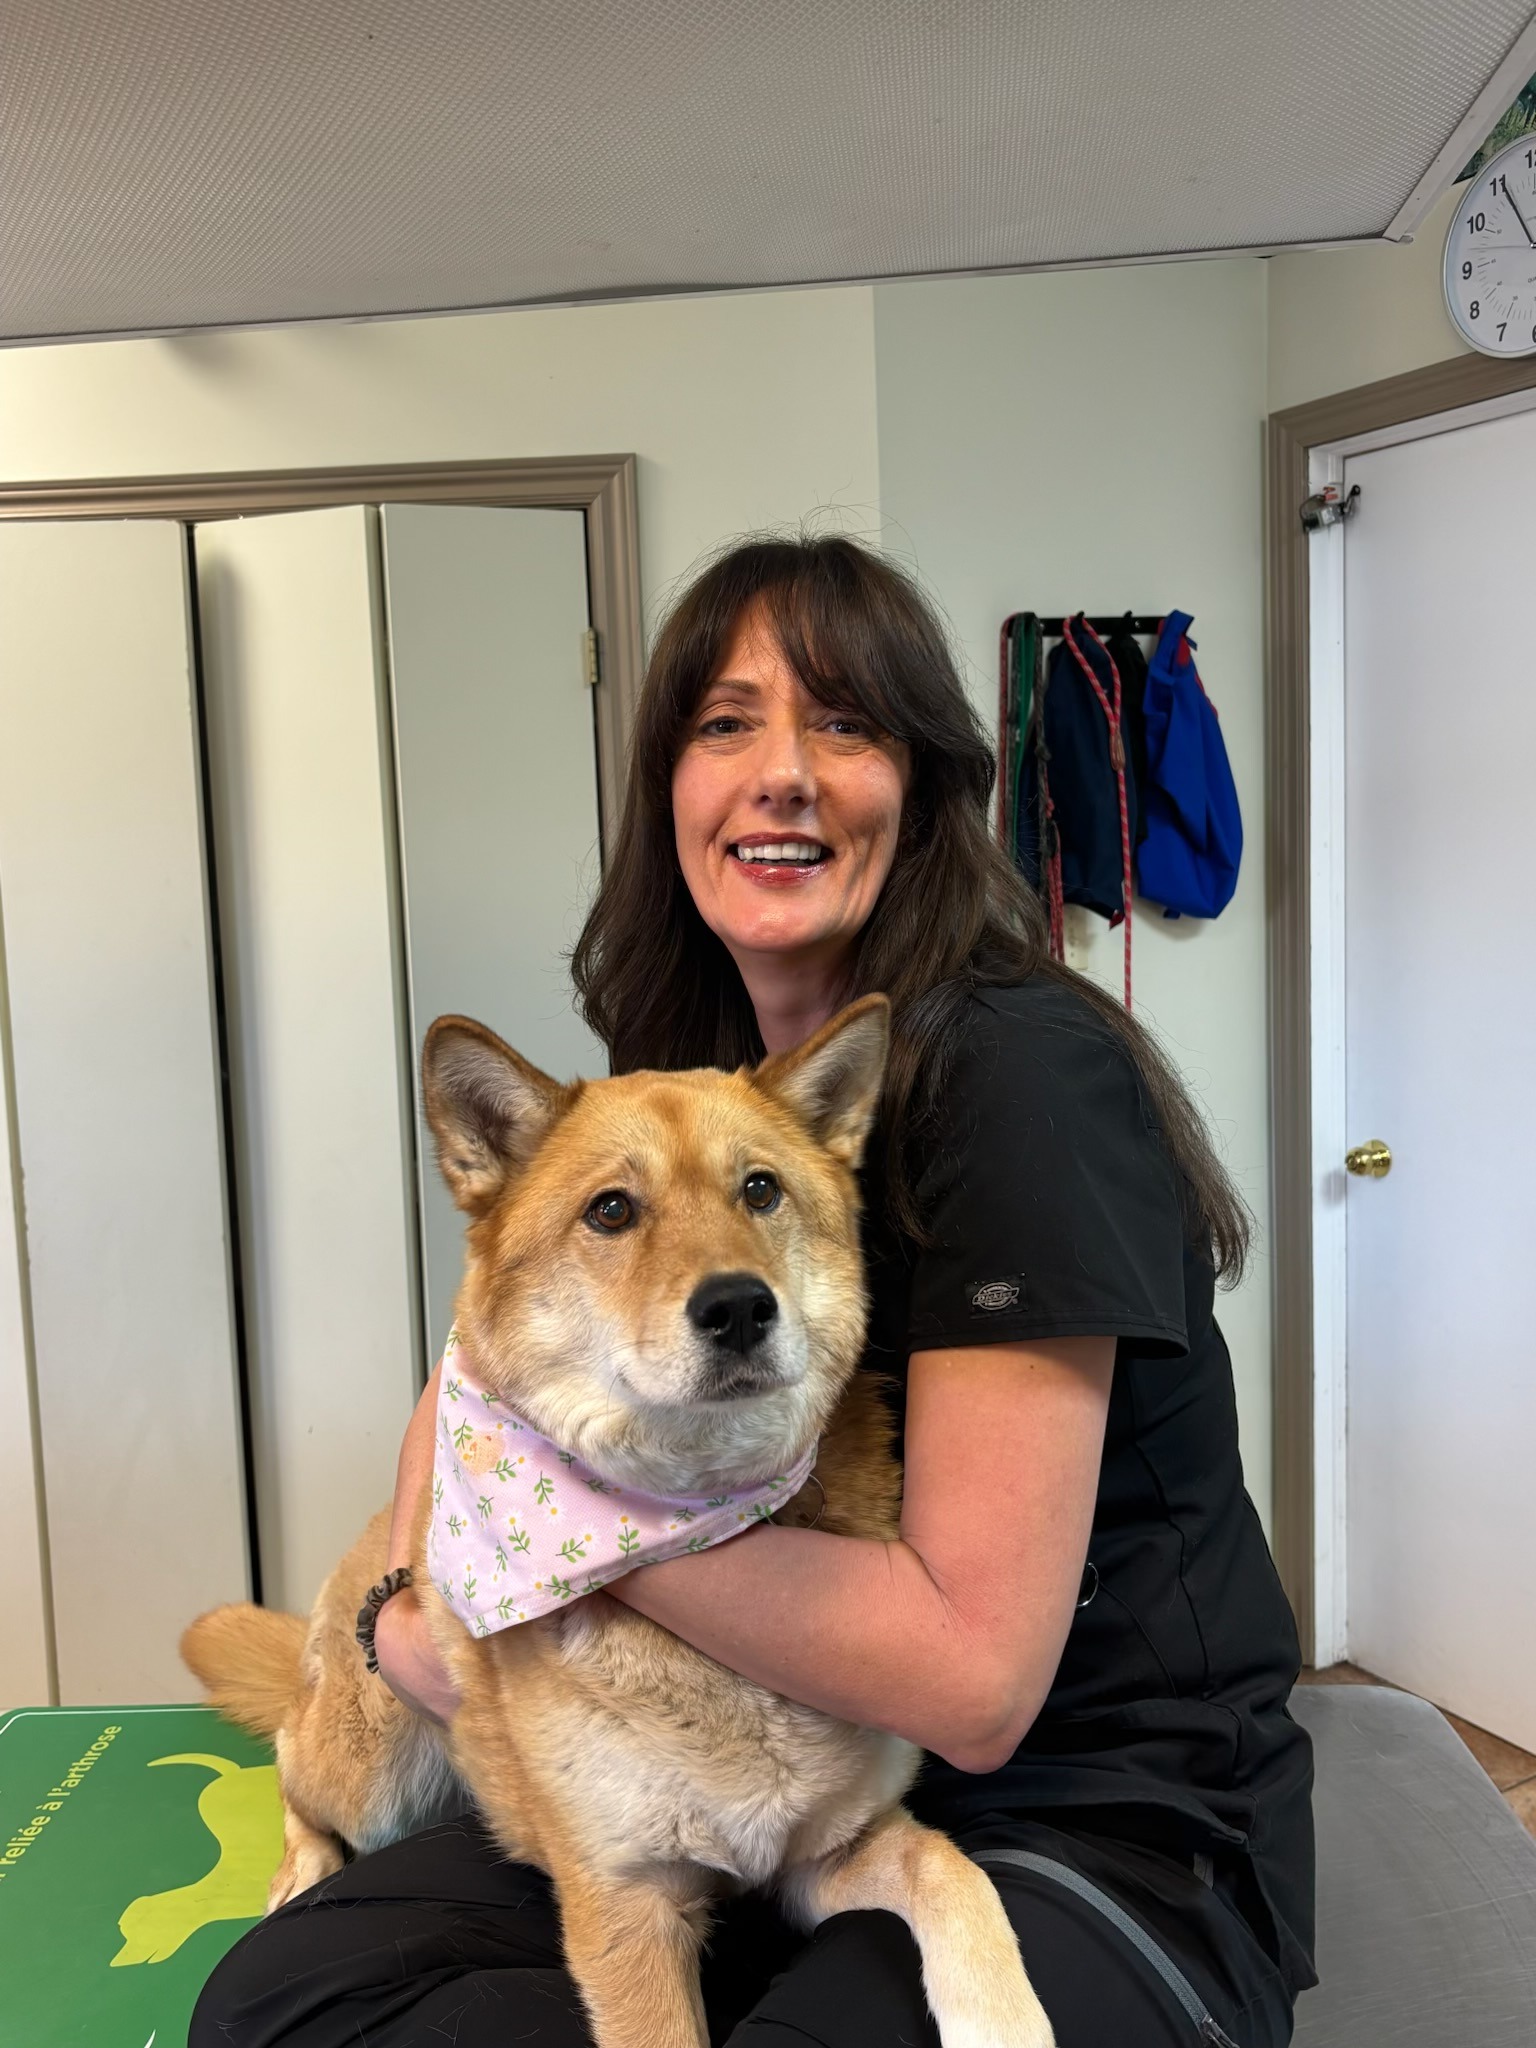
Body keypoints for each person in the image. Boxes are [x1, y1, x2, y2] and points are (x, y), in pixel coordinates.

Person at [192, 535, 1313, 2048]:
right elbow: (483, 1373)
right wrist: (417, 1589)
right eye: (727, 724)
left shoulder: (1020, 1083)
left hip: (1076, 1804)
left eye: (844, 723)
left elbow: (973, 1684)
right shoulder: (676, 1054)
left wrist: (548, 1528)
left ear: (921, 779)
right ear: (669, 782)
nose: (782, 772)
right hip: (719, 1754)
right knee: (281, 2005)